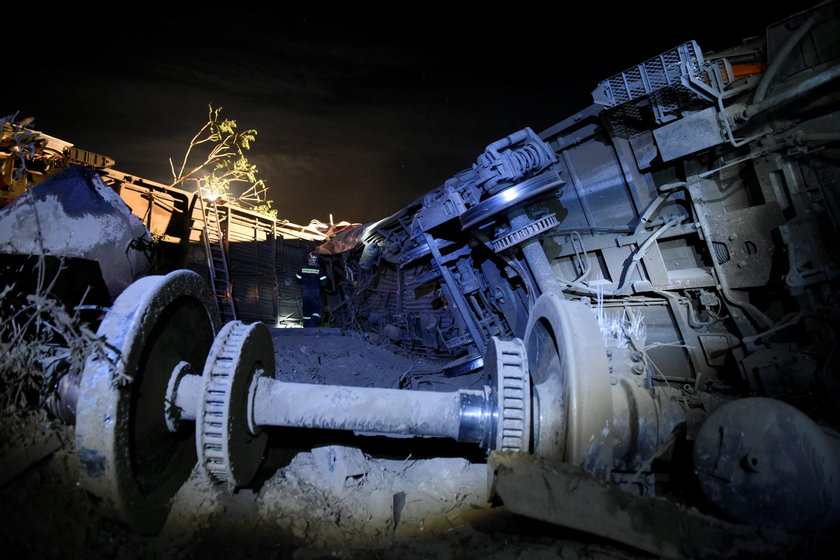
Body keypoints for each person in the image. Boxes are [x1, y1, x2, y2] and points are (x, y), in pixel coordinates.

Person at [295, 253, 327, 327]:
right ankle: (313, 325)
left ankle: (306, 328)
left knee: (307, 311)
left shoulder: (302, 269)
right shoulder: (319, 270)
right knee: (318, 309)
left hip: (305, 294)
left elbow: (297, 280)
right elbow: (324, 283)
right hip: (315, 294)